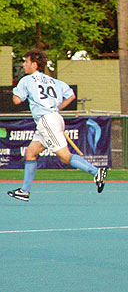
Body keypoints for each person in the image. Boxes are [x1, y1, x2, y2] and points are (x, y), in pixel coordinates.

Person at [8, 49, 107, 202]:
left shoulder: (26, 80)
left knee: (65, 157)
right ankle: (24, 191)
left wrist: (14, 92)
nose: (24, 64)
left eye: (26, 61)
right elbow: (71, 96)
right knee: (30, 152)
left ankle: (96, 172)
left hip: (47, 121)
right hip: (53, 118)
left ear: (34, 64)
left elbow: (17, 100)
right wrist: (55, 109)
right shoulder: (53, 81)